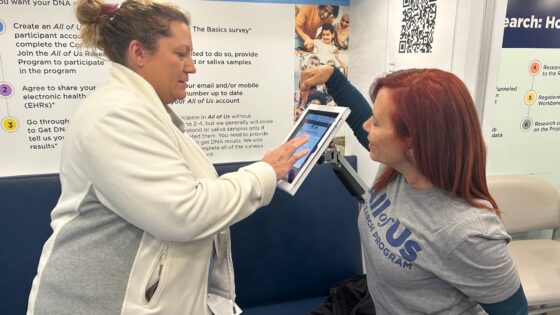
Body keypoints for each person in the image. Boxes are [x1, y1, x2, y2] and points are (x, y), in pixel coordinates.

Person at [26, 1, 308, 314]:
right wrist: (264, 173)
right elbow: (184, 212)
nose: (192, 66)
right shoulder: (115, 116)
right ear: (139, 53)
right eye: (180, 53)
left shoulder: (146, 113)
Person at [300, 65, 528, 314]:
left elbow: (514, 311)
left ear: (413, 143)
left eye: (376, 122)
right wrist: (334, 79)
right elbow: (360, 118)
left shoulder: (468, 231)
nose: (366, 126)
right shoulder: (397, 170)